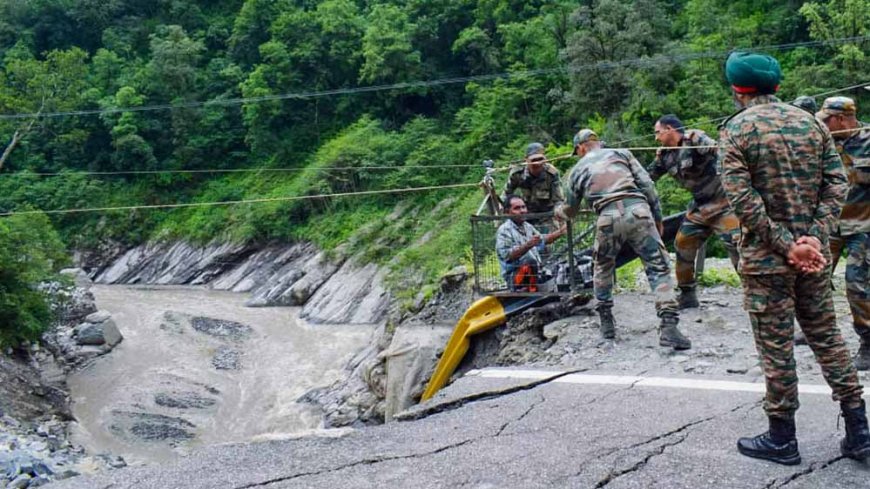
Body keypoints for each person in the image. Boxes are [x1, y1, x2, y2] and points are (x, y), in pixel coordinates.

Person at [719, 51, 870, 465]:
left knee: (776, 347)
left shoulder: (737, 130)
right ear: (778, 86)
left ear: (738, 90)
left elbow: (742, 200)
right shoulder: (812, 124)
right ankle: (860, 432)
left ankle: (782, 438)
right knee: (829, 339)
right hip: (813, 259)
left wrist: (788, 245)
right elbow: (837, 183)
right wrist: (815, 240)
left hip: (768, 261)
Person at [555, 129, 691, 349]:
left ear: (580, 148)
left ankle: (607, 325)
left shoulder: (577, 170)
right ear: (597, 142)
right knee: (658, 266)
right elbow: (648, 185)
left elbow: (570, 210)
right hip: (638, 211)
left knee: (602, 267)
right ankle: (668, 325)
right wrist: (657, 216)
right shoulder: (622, 153)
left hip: (607, 218)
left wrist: (558, 211)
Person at [648, 114, 740, 308]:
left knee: (737, 245)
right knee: (683, 243)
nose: (656, 138)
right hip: (699, 207)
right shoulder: (664, 155)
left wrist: (708, 148)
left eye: (658, 132)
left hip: (724, 203)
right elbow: (648, 177)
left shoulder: (694, 138)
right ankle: (687, 294)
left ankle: (755, 291)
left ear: (669, 129)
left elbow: (720, 151)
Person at [816, 96, 870, 370]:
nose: (822, 125)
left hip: (864, 227)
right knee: (814, 279)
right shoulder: (823, 144)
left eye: (827, 120)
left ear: (841, 118)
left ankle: (868, 341)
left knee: (856, 285)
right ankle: (817, 331)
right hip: (832, 226)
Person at [496, 195, 565, 291]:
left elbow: (543, 240)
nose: (522, 211)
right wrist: (527, 245)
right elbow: (507, 255)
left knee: (558, 267)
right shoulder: (504, 230)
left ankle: (537, 284)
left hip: (533, 272)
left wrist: (561, 232)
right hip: (515, 276)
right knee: (530, 261)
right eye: (517, 208)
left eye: (523, 207)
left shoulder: (527, 226)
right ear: (507, 212)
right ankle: (530, 289)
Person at [503, 142, 565, 231]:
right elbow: (506, 194)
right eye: (534, 160)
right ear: (526, 160)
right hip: (524, 215)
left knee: (547, 240)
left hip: (546, 217)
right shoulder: (517, 173)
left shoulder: (552, 174)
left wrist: (558, 212)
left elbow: (558, 199)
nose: (537, 163)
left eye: (540, 159)